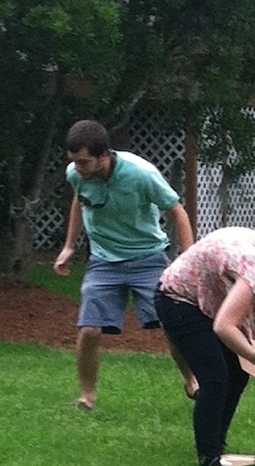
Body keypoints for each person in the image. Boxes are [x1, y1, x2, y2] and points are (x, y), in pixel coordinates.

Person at [153, 215, 255, 466]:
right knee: (215, 378)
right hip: (178, 299)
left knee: (238, 373)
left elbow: (234, 317)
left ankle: (216, 445)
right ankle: (209, 461)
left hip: (206, 301)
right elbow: (224, 326)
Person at [54, 119, 195, 411]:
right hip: (103, 261)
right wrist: (69, 246)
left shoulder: (141, 175)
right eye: (74, 162)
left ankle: (191, 380)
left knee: (172, 324)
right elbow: (78, 201)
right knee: (90, 330)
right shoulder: (77, 174)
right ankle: (87, 396)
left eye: (84, 162)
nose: (77, 168)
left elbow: (177, 211)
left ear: (103, 155)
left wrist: (189, 258)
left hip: (148, 258)